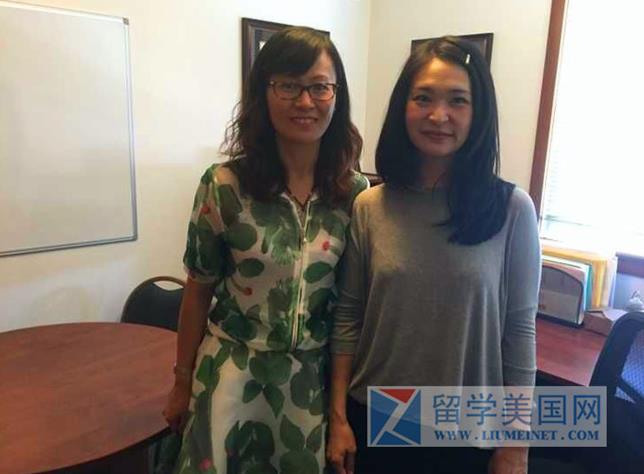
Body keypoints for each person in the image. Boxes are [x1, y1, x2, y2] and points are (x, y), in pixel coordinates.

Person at [327, 36, 541, 474]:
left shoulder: (512, 209)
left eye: (458, 100)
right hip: (375, 419)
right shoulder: (370, 207)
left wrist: (516, 444)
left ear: (478, 113)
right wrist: (338, 419)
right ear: (402, 107)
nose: (438, 115)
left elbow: (520, 333)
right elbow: (348, 319)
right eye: (423, 98)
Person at [163, 27, 368, 474]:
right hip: (230, 372)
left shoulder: (353, 194)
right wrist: (181, 382)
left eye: (319, 87)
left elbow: (348, 312)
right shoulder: (224, 185)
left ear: (337, 95)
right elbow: (197, 291)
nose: (305, 101)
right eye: (288, 86)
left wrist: (339, 415)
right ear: (263, 92)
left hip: (308, 384)